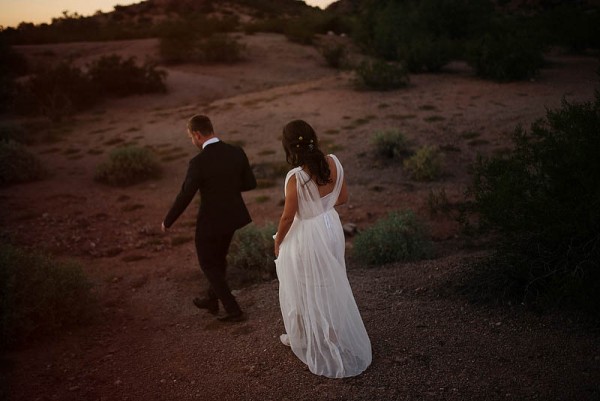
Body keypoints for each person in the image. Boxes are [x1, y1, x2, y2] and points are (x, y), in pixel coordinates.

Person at [274, 119, 372, 378]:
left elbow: (287, 217)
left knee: (306, 283)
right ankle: (331, 333)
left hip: (307, 233)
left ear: (289, 146)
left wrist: (277, 241)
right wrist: (321, 208)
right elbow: (342, 198)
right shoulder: (333, 162)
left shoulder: (295, 177)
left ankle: (314, 338)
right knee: (331, 279)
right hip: (330, 227)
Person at [162, 114, 256, 323]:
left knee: (207, 262)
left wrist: (168, 221)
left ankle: (233, 310)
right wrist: (227, 187)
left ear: (197, 134)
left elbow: (186, 194)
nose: (192, 141)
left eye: (190, 137)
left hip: (211, 221)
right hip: (233, 217)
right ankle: (211, 299)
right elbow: (250, 184)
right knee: (218, 259)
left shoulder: (198, 162)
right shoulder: (236, 152)